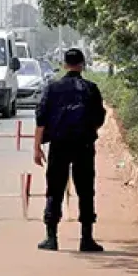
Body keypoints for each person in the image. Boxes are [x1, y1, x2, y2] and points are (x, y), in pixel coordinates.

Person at [33, 48, 106, 252]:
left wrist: (37, 147)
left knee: (55, 189)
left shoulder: (53, 88)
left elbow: (41, 118)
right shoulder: (91, 89)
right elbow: (99, 118)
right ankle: (86, 239)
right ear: (82, 65)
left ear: (65, 65)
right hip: (84, 145)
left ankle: (51, 238)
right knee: (86, 190)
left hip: (59, 144)